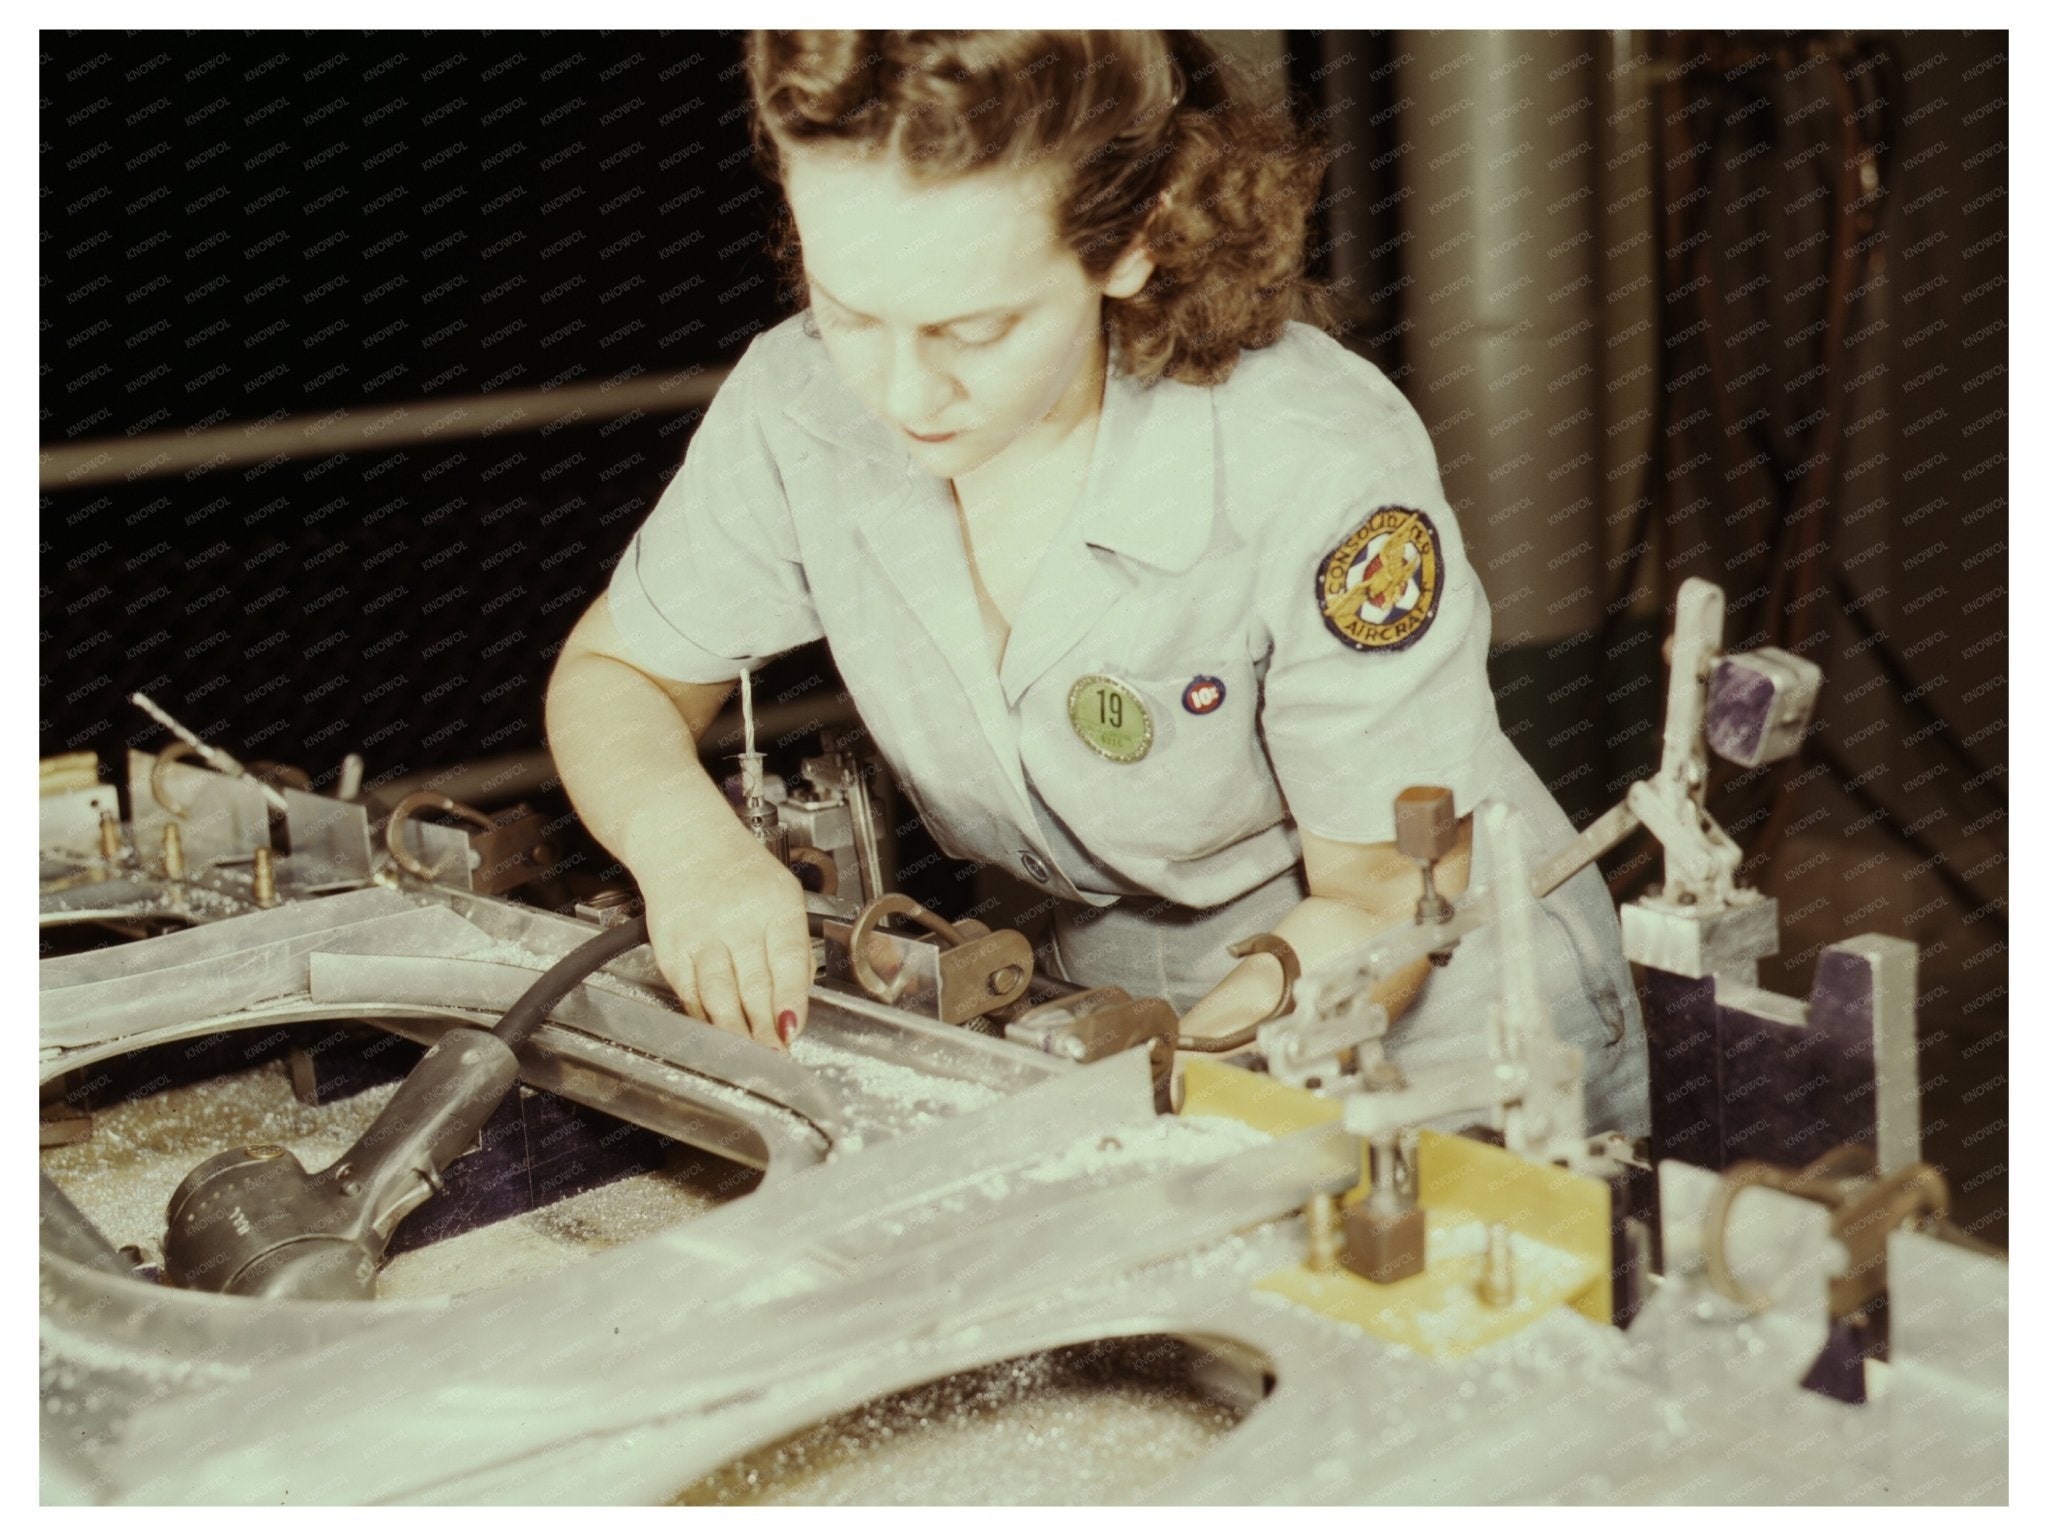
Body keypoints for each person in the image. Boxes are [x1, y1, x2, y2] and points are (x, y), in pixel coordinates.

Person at [546, 30, 1649, 1137]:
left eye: (971, 327)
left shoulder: (1309, 460)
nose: (897, 389)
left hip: (1432, 1011)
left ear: (1134, 240)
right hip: (1099, 988)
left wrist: (1180, 1081)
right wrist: (690, 855)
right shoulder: (797, 407)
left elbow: (1376, 892)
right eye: (845, 310)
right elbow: (614, 673)